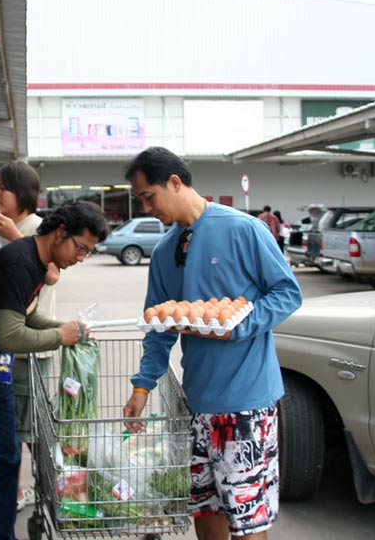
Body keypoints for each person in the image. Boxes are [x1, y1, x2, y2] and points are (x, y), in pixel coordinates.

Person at [120, 148, 302, 540]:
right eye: (140, 200)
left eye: (148, 196)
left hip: (246, 403)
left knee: (248, 520)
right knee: (206, 512)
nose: (147, 207)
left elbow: (287, 293)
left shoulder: (243, 230)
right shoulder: (166, 251)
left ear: (175, 182)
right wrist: (142, 386)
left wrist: (238, 325)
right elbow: (160, 326)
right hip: (196, 403)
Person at [0, 202, 108, 540]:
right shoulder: (19, 263)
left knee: (7, 461)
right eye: (80, 248)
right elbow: (9, 335)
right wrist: (58, 336)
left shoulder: (37, 263)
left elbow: (21, 317)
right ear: (60, 231)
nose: (80, 258)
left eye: (87, 253)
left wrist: (66, 330)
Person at [0, 161, 61, 511]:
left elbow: (51, 273)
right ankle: (21, 487)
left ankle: (31, 489)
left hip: (28, 346)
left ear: (23, 193)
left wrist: (14, 237)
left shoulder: (38, 227)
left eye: (3, 187)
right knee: (7, 425)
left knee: (26, 427)